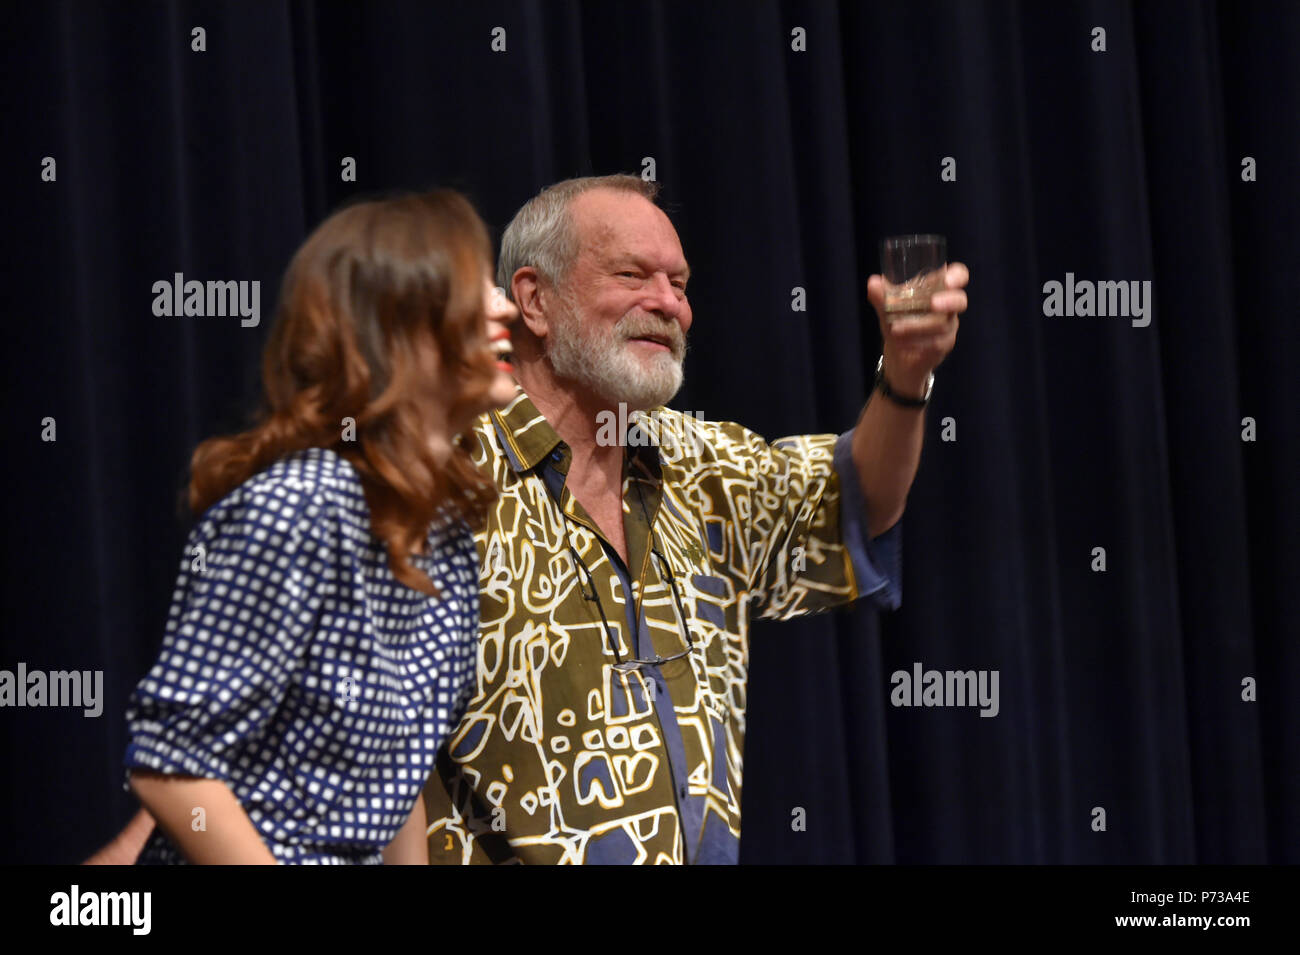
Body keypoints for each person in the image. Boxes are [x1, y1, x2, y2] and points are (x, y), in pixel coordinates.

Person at [421, 174, 965, 864]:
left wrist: (907, 374)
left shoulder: (703, 465)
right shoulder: (437, 481)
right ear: (533, 299)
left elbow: (856, 499)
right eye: (632, 275)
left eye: (679, 284)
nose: (667, 304)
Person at [120, 189, 520, 864]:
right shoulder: (303, 504)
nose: (504, 305)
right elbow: (170, 765)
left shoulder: (446, 533)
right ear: (399, 323)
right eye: (472, 285)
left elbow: (396, 780)